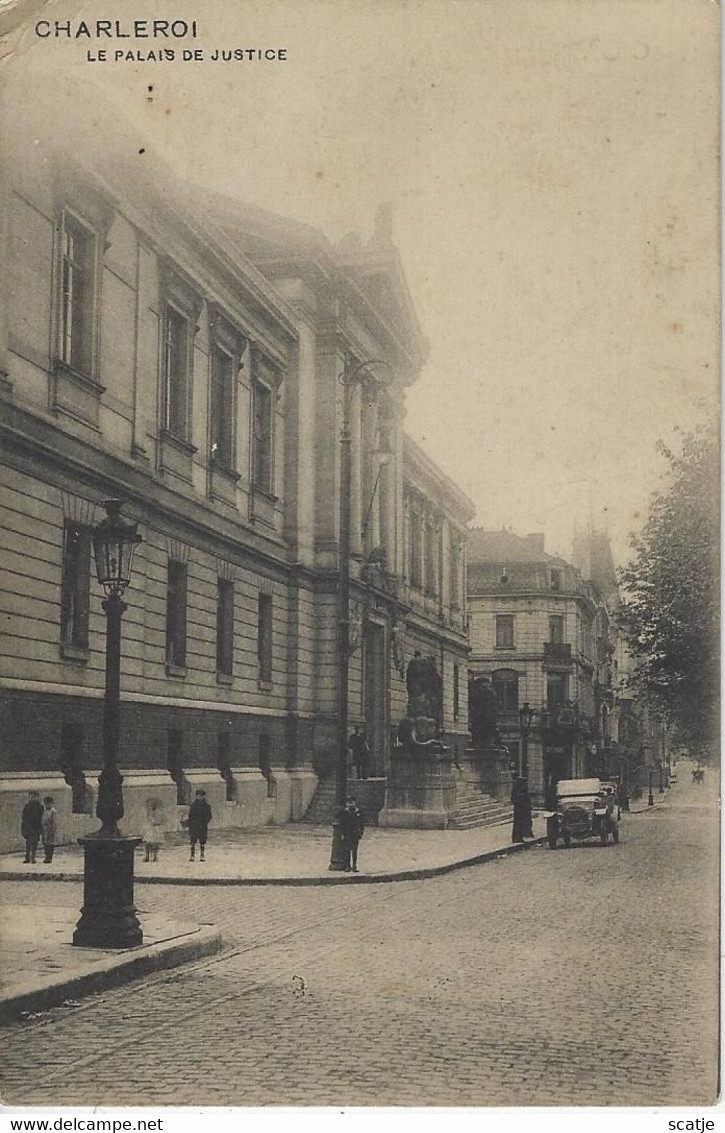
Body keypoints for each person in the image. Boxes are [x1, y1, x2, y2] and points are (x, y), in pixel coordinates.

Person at [340, 796, 365, 872]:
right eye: (349, 803)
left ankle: (354, 865)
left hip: (355, 834)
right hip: (347, 833)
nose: (351, 805)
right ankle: (347, 865)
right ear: (346, 804)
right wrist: (342, 834)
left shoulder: (358, 812)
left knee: (354, 850)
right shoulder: (344, 812)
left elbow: (361, 823)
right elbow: (341, 824)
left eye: (352, 803)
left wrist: (361, 832)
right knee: (347, 850)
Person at [188, 789, 212, 861]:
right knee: (193, 841)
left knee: (202, 842)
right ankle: (192, 855)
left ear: (204, 797)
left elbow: (209, 816)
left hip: (203, 826)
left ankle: (202, 855)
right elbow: (190, 816)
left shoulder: (207, 806)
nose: (199, 797)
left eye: (201, 796)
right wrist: (191, 823)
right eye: (198, 796)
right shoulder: (193, 806)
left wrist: (204, 822)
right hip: (194, 826)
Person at [20, 790, 44, 864]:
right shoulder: (27, 806)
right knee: (28, 843)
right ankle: (27, 857)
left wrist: (40, 828)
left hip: (36, 827)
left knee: (34, 843)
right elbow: (24, 817)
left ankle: (32, 857)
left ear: (37, 798)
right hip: (28, 827)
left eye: (34, 797)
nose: (32, 798)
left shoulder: (40, 807)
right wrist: (24, 827)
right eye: (31, 797)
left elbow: (41, 818)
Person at [511, 774, 534, 843]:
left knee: (520, 824)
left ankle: (519, 837)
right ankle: (516, 838)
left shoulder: (522, 790)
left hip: (522, 810)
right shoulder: (519, 791)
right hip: (520, 809)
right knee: (518, 823)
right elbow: (514, 799)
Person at [142, 798, 164, 863]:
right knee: (147, 843)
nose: (151, 806)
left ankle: (155, 856)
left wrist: (157, 823)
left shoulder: (159, 812)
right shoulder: (149, 812)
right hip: (150, 828)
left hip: (156, 828)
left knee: (156, 843)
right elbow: (148, 819)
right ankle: (147, 856)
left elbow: (161, 820)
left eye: (153, 804)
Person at [41, 796, 58, 863]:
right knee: (45, 843)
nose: (47, 805)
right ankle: (46, 856)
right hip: (44, 828)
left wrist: (53, 830)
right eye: (46, 803)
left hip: (50, 828)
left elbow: (54, 821)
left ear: (52, 803)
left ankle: (49, 857)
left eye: (49, 803)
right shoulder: (44, 810)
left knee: (50, 843)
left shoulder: (53, 811)